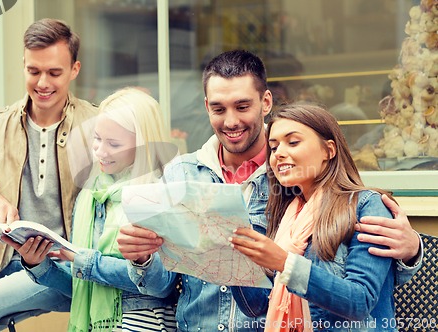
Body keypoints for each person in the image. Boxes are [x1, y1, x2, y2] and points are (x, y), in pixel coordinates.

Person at [116, 50, 422, 332]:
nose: (231, 120)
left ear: (266, 102)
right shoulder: (281, 202)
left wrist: (412, 251)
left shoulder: (299, 191)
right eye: (275, 146)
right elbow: (253, 300)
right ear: (206, 107)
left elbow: (365, 291)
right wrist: (145, 258)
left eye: (242, 106)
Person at [0, 18, 98, 331]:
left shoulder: (98, 123)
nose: (42, 83)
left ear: (75, 70)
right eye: (34, 71)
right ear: (23, 64)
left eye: (54, 72)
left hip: (64, 268)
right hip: (8, 262)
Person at [3, 87, 178, 331]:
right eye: (97, 138)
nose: (100, 151)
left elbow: (162, 284)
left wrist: (85, 262)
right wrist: (38, 264)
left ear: (142, 145)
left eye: (114, 144)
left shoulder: (161, 193)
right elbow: (80, 286)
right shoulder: (91, 195)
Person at [230, 103, 405, 331]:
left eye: (293, 142)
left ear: (329, 150)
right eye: (273, 147)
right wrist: (230, 261)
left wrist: (285, 263)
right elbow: (258, 307)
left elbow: (360, 302)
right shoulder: (286, 214)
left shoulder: (366, 206)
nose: (279, 153)